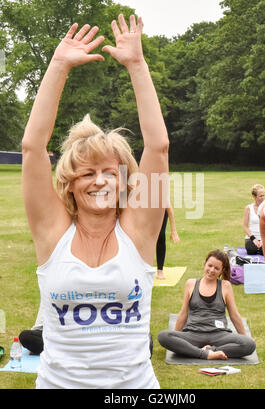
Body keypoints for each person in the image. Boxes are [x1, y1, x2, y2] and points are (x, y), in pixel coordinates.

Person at [22, 14, 169, 389]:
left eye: (109, 172)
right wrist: (58, 66)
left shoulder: (139, 232)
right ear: (70, 184)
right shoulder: (52, 233)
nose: (100, 181)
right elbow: (32, 148)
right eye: (87, 173)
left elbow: (158, 146)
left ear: (124, 181)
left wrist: (137, 64)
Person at [157, 250, 256, 360]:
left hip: (219, 334)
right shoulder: (191, 283)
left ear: (222, 271)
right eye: (210, 266)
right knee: (164, 336)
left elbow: (234, 315)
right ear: (205, 264)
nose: (212, 270)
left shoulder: (225, 285)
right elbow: (183, 313)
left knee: (249, 344)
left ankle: (210, 351)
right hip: (193, 333)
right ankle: (205, 354)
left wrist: (245, 337)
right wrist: (176, 337)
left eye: (217, 268)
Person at [156, 204, 180, 280]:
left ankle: (160, 271)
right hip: (145, 210)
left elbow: (169, 209)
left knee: (161, 236)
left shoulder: (162, 193)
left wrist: (173, 231)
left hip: (160, 210)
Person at [243, 184, 265, 255]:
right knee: (251, 250)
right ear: (254, 197)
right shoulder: (248, 208)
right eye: (260, 196)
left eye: (263, 195)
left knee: (264, 250)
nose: (263, 198)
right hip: (251, 238)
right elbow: (245, 226)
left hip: (264, 238)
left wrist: (262, 240)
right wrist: (253, 239)